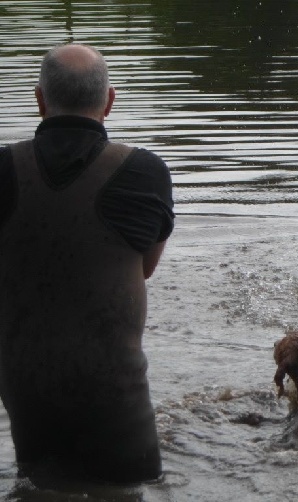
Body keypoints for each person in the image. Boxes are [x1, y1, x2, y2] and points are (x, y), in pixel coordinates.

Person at [0, 44, 174, 484]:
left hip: (28, 399)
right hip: (117, 404)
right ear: (110, 100)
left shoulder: (3, 169)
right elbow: (144, 268)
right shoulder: (143, 171)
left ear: (39, 98)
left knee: (41, 486)